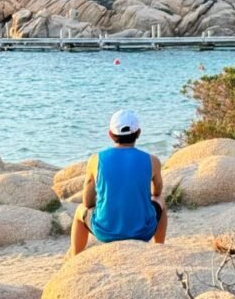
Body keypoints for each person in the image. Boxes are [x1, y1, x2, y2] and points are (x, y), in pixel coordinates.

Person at [69, 110, 168, 257]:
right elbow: (157, 191)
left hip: (105, 231)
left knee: (79, 211)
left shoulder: (95, 160)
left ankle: (75, 257)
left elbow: (87, 202)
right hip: (143, 232)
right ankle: (159, 248)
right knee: (160, 200)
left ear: (110, 134)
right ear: (139, 133)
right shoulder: (152, 160)